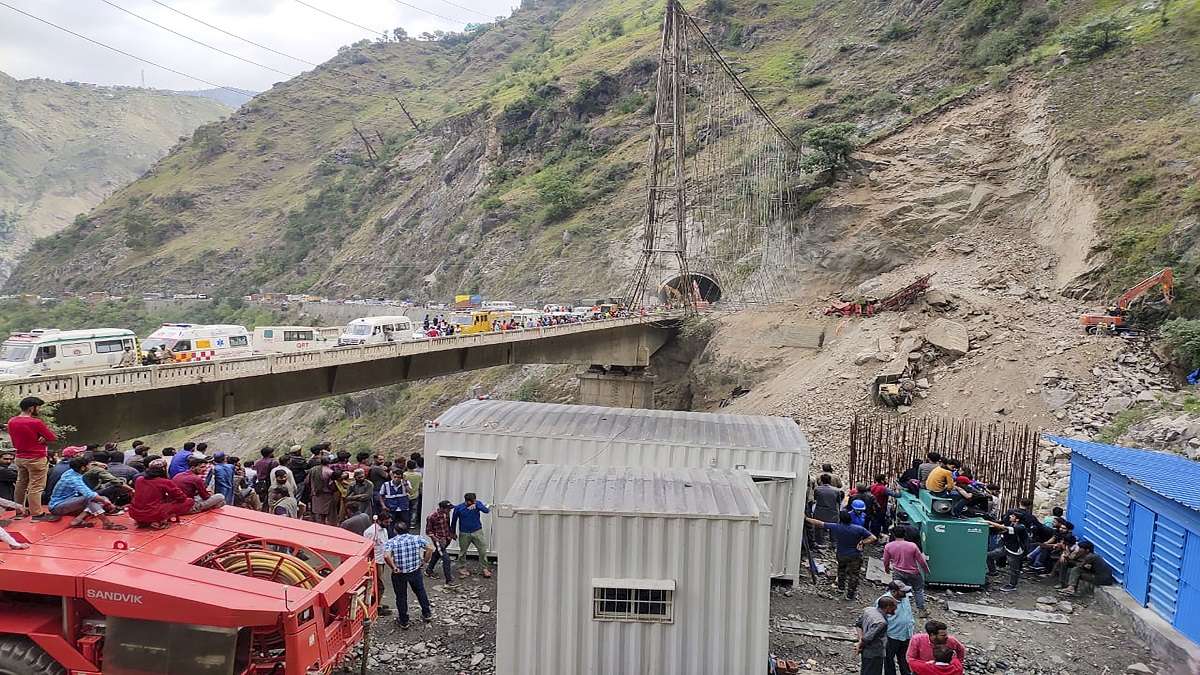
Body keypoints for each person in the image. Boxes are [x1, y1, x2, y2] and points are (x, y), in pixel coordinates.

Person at [7, 396, 58, 521]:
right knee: (36, 486)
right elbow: (52, 437)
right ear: (31, 408)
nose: (39, 410)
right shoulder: (36, 422)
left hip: (19, 457)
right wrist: (43, 438)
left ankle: (19, 511)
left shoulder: (12, 421)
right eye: (38, 407)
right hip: (36, 457)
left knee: (20, 484)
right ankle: (37, 513)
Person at [805, 512, 876, 600]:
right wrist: (862, 542)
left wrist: (806, 519)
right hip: (855, 555)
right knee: (854, 575)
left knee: (841, 570)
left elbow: (820, 524)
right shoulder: (859, 529)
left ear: (840, 519)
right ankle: (850, 594)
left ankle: (840, 588)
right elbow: (873, 538)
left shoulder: (836, 527)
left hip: (841, 554)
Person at [48, 456, 123, 530]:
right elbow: (90, 495)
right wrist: (107, 503)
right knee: (92, 499)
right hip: (57, 506)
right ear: (83, 468)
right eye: (89, 465)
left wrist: (97, 464)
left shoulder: (72, 471)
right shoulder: (73, 479)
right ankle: (107, 523)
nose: (91, 467)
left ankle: (78, 520)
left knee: (101, 498)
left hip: (69, 501)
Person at [382, 522, 432, 630]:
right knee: (420, 592)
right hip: (415, 571)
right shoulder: (417, 538)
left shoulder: (392, 542)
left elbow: (386, 556)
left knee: (401, 597)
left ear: (395, 531)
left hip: (399, 574)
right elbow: (430, 548)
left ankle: (404, 621)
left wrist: (393, 567)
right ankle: (427, 613)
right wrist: (425, 561)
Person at [883, 526, 930, 616]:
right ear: (905, 534)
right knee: (918, 591)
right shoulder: (912, 546)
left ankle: (896, 609)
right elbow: (921, 560)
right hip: (913, 572)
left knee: (897, 590)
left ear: (893, 534)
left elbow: (886, 560)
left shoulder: (889, 546)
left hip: (898, 571)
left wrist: (886, 569)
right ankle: (921, 611)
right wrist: (926, 570)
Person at [451, 492, 492, 578]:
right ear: (467, 501)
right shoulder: (459, 508)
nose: (474, 502)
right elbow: (454, 521)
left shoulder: (477, 503)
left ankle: (484, 568)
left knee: (482, 550)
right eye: (472, 501)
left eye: (475, 500)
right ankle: (461, 568)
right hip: (464, 533)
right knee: (463, 551)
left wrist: (477, 505)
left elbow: (486, 510)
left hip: (477, 531)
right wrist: (453, 533)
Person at [878, 581, 915, 675]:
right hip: (892, 635)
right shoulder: (884, 601)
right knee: (889, 658)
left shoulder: (904, 597)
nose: (905, 593)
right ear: (894, 591)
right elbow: (878, 619)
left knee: (904, 657)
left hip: (906, 634)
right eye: (902, 591)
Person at [985, 512, 1028, 592]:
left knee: (1014, 570)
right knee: (988, 556)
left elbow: (1005, 528)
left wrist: (989, 522)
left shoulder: (1020, 527)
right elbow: (1003, 528)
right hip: (1006, 548)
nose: (1010, 516)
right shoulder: (1012, 523)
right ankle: (993, 571)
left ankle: (1012, 585)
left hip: (1015, 551)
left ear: (1017, 519)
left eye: (1013, 516)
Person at [855, 595, 898, 675]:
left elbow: (858, 625)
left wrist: (859, 642)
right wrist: (861, 642)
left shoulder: (869, 610)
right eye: (894, 607)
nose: (895, 610)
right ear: (887, 607)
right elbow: (867, 638)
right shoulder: (881, 623)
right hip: (874, 653)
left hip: (866, 652)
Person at [363, 513, 393, 615]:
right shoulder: (371, 532)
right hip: (375, 562)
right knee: (379, 585)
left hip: (382, 560)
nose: (388, 524)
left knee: (378, 583)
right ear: (379, 521)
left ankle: (377, 603)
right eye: (386, 522)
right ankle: (377, 607)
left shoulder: (384, 529)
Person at [425, 499, 454, 584]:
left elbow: (447, 525)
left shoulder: (446, 515)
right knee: (446, 559)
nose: (450, 510)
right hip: (439, 540)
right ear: (442, 508)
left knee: (437, 554)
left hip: (446, 539)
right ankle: (449, 580)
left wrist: (450, 535)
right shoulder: (432, 517)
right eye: (448, 509)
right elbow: (428, 531)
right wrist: (437, 540)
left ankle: (429, 570)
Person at [811, 474, 844, 546]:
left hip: (820, 510)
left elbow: (815, 498)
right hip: (832, 511)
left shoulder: (817, 489)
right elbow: (839, 501)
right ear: (830, 480)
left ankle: (820, 542)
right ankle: (833, 542)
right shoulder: (836, 490)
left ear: (821, 481)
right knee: (833, 527)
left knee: (819, 526)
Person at [380, 469, 412, 534]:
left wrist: (405, 484)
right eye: (395, 477)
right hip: (391, 508)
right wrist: (383, 505)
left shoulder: (406, 483)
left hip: (403, 508)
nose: (396, 479)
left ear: (402, 477)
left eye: (399, 477)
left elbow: (410, 491)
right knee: (391, 524)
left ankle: (406, 536)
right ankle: (391, 536)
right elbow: (381, 495)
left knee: (405, 523)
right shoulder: (386, 484)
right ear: (392, 476)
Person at [305, 455, 335, 524]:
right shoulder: (330, 472)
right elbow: (331, 484)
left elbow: (306, 481)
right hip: (326, 495)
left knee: (316, 512)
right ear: (329, 462)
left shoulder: (313, 469)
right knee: (324, 514)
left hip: (315, 493)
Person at [403, 460, 423, 530]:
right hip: (416, 494)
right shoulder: (419, 474)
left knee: (406, 509)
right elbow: (420, 484)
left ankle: (406, 522)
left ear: (407, 466)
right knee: (414, 510)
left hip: (406, 494)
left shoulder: (405, 474)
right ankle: (412, 524)